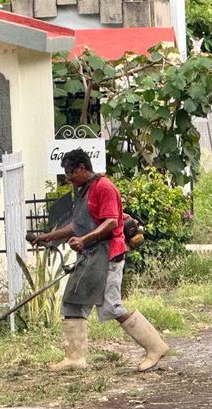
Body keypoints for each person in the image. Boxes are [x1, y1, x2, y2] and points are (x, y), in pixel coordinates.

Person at [32, 149, 168, 372]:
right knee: (73, 302)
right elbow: (77, 225)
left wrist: (84, 240)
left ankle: (155, 347)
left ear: (82, 168)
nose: (68, 178)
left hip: (108, 254)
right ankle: (74, 358)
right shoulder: (83, 190)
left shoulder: (104, 187)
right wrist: (49, 236)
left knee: (110, 306)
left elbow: (111, 222)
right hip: (90, 255)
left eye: (70, 173)